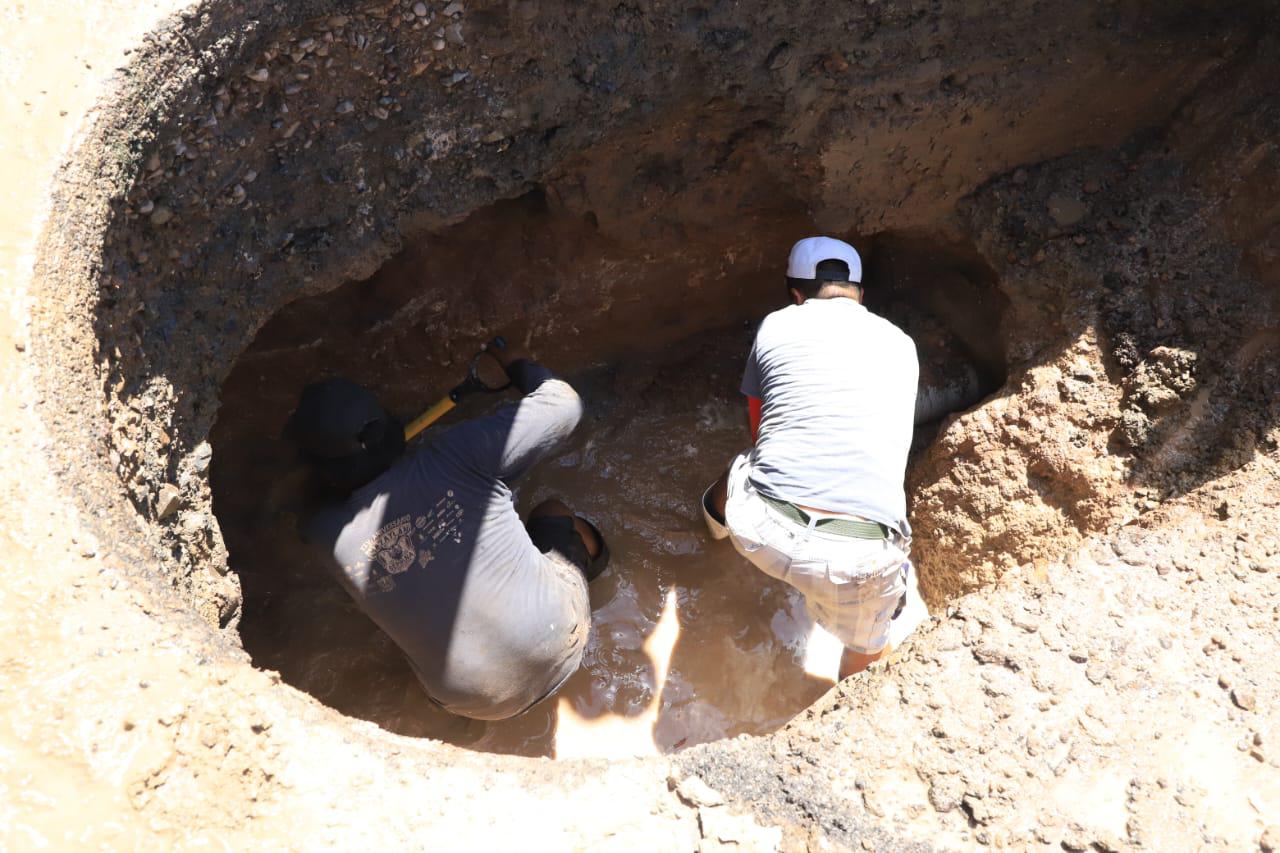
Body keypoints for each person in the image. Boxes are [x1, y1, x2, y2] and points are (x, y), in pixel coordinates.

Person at [284, 344, 608, 721]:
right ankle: (594, 569)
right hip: (558, 639)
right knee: (552, 512)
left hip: (475, 705)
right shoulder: (455, 455)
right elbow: (564, 404)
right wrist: (509, 357)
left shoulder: (323, 534)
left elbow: (308, 510)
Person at [702, 236, 928, 680]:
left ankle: (708, 529)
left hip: (762, 532)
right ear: (860, 294)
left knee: (739, 471)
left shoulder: (776, 325)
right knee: (867, 657)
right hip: (861, 563)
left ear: (796, 294)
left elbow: (758, 431)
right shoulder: (903, 344)